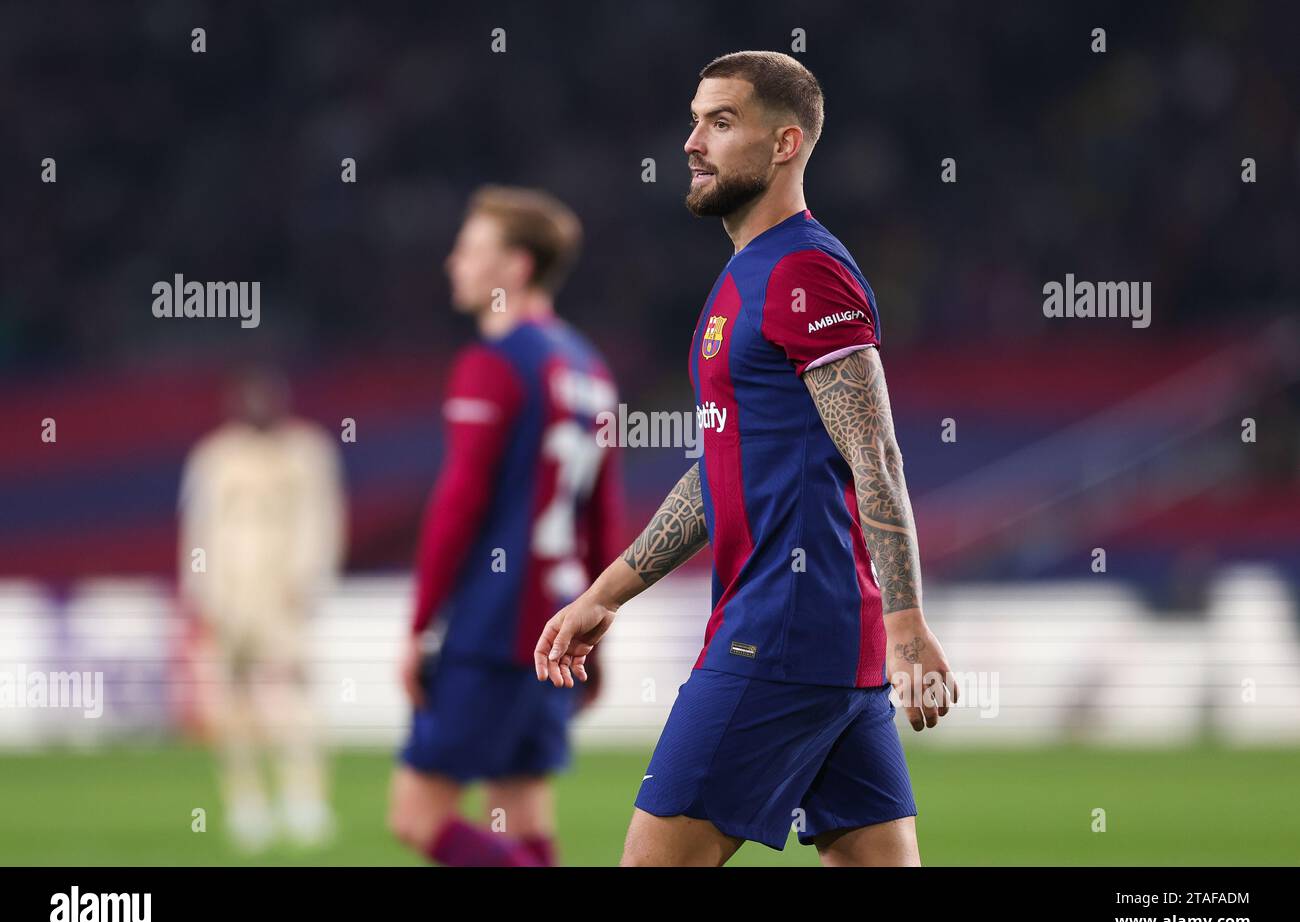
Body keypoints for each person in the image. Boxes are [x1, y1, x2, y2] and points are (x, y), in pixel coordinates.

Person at [536, 51, 957, 866]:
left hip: (779, 636)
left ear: (787, 143)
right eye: (695, 119)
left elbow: (877, 455)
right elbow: (720, 471)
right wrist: (606, 594)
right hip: (827, 644)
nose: (693, 142)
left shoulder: (805, 271)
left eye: (721, 123)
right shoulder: (744, 278)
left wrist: (907, 627)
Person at [389, 186, 622, 867]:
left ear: (515, 268)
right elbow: (604, 518)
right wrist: (598, 629)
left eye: (470, 249)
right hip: (562, 616)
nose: (453, 263)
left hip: (495, 628)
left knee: (416, 814)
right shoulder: (590, 368)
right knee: (520, 811)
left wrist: (420, 624)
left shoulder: (493, 364)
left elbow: (457, 506)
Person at [178, 366, 346, 852]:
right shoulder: (215, 455)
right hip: (228, 597)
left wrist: (309, 579)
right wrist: (200, 589)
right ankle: (246, 804)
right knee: (230, 704)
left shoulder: (306, 451)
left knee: (291, 698)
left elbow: (322, 520)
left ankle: (304, 800)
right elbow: (199, 525)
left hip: (281, 598)